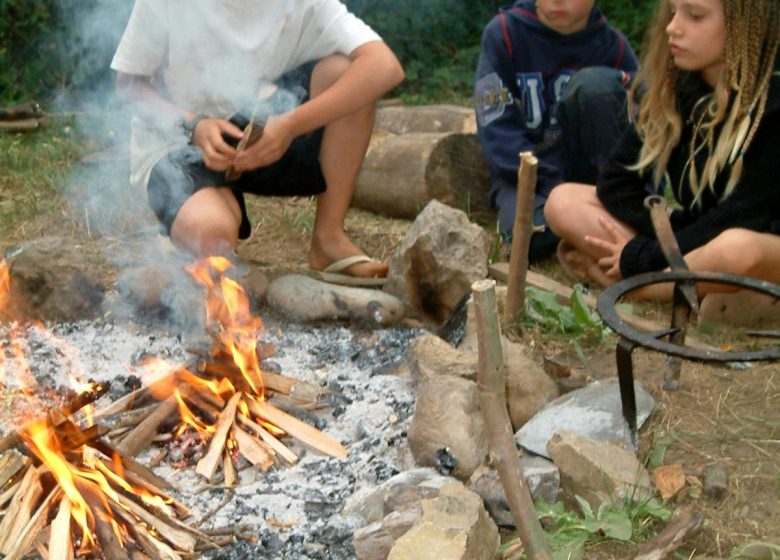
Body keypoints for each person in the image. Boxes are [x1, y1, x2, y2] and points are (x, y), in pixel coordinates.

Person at [110, 1, 404, 284]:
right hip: (176, 142)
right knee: (213, 235)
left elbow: (385, 66)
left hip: (261, 128)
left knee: (348, 73)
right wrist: (193, 125)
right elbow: (129, 87)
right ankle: (188, 228)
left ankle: (328, 239)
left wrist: (291, 125)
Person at [544, 0, 780, 301]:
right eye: (672, 13)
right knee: (562, 202)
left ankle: (638, 289)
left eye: (694, 16)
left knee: (736, 248)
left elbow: (741, 217)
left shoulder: (773, 105)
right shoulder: (681, 87)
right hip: (698, 237)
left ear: (745, 26)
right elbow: (616, 182)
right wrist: (656, 242)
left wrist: (646, 256)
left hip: (761, 243)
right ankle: (691, 286)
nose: (673, 27)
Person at [474, 0, 638, 262]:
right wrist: (552, 188)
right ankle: (587, 235)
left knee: (595, 86)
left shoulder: (612, 47)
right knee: (530, 239)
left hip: (594, 183)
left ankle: (616, 223)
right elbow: (496, 129)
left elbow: (642, 133)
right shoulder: (504, 33)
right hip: (525, 177)